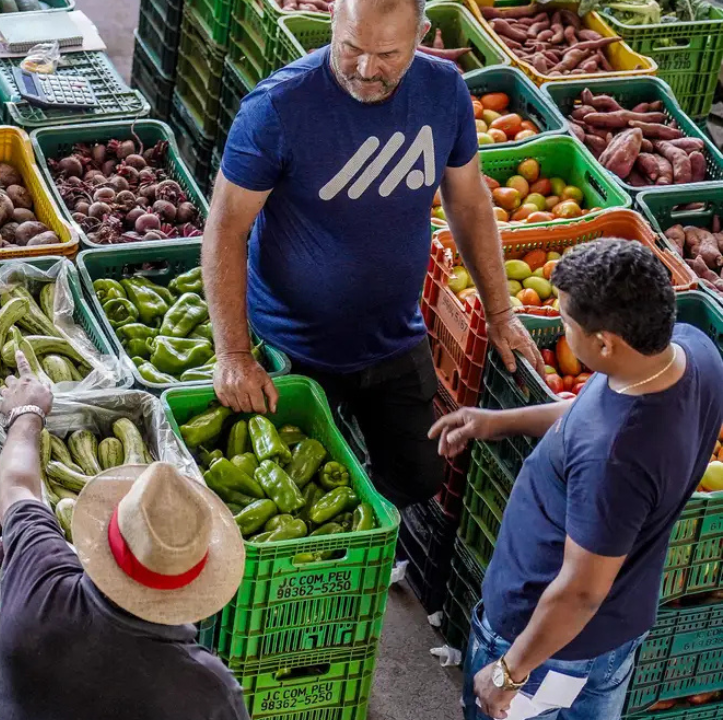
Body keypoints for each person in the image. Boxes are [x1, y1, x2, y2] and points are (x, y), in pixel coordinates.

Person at [203, 0, 541, 508]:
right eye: (351, 48)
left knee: (420, 476)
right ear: (333, 22)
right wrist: (232, 354)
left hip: (392, 337)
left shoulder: (443, 91)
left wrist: (499, 311)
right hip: (291, 344)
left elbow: (469, 202)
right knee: (288, 492)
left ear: (421, 33)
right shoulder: (277, 108)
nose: (365, 69)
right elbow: (225, 229)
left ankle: (384, 549)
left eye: (387, 54)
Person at [429, 240, 723, 719]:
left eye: (566, 324)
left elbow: (581, 591)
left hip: (548, 646)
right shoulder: (691, 351)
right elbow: (590, 411)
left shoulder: (618, 460)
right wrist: (499, 421)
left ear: (605, 341)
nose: (563, 333)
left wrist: (508, 673)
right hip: (615, 629)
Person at [0, 351, 249, 720]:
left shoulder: (38, 594)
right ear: (195, 580)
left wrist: (27, 413)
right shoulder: (207, 690)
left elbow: (18, 487)